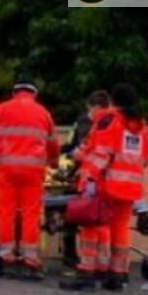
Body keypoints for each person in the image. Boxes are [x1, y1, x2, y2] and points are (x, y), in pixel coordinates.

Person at [61, 84, 148, 292]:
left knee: (91, 225)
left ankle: (87, 272)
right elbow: (146, 159)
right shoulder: (142, 127)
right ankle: (117, 274)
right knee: (120, 229)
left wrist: (88, 178)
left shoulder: (109, 121)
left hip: (106, 185)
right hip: (131, 188)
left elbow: (100, 153)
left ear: (114, 101)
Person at [0, 77, 60, 280]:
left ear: (14, 93)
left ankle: (6, 255)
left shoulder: (0, 110)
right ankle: (30, 258)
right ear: (34, 94)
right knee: (31, 213)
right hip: (33, 172)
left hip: (6, 170)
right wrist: (54, 163)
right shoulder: (43, 113)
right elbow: (53, 145)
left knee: (6, 212)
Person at [60, 91, 113, 272]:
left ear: (95, 107)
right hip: (102, 180)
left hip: (90, 179)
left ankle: (88, 262)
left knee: (89, 220)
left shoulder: (95, 125)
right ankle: (101, 263)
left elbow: (83, 150)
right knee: (101, 222)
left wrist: (71, 157)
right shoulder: (114, 123)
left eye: (91, 109)